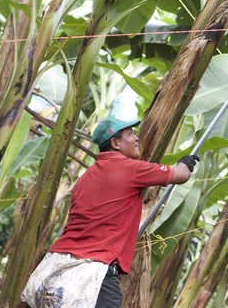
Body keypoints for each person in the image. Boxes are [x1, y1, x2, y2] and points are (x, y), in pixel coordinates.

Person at [21, 115, 200, 308]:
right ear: (115, 143)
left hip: (54, 267)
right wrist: (186, 162)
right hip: (93, 274)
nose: (137, 138)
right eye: (130, 134)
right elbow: (181, 175)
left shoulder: (84, 178)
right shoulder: (131, 169)